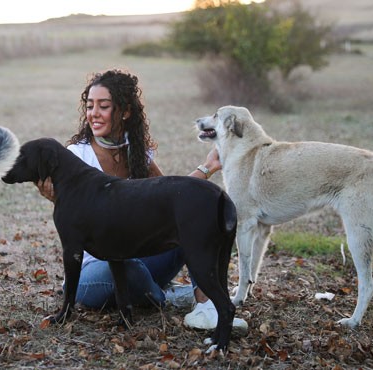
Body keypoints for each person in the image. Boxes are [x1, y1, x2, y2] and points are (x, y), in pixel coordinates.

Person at [36, 69, 246, 334]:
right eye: (89, 106)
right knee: (128, 269)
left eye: (103, 106)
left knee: (189, 225)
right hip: (95, 270)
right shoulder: (76, 156)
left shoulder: (137, 152)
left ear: (124, 111)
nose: (94, 113)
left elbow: (173, 198)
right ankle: (166, 297)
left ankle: (206, 307)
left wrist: (206, 168)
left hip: (135, 256)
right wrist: (56, 198)